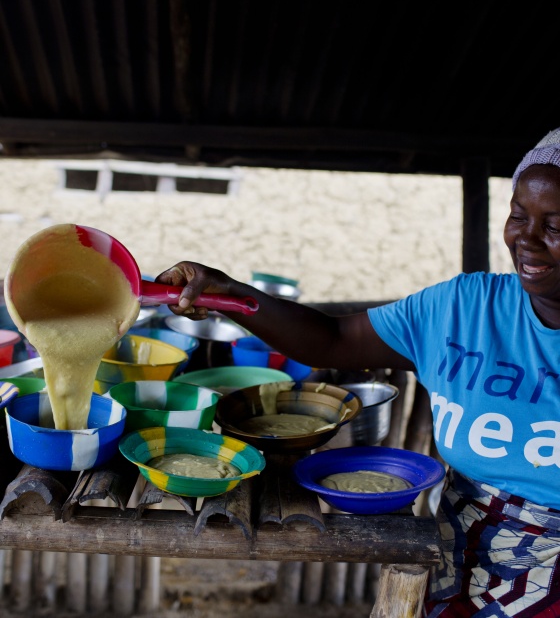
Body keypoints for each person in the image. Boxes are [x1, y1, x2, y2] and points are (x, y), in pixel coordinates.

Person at [155, 127, 560, 616]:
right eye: (519, 215)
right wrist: (226, 292)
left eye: (555, 224)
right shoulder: (465, 308)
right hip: (455, 563)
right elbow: (332, 339)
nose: (528, 239)